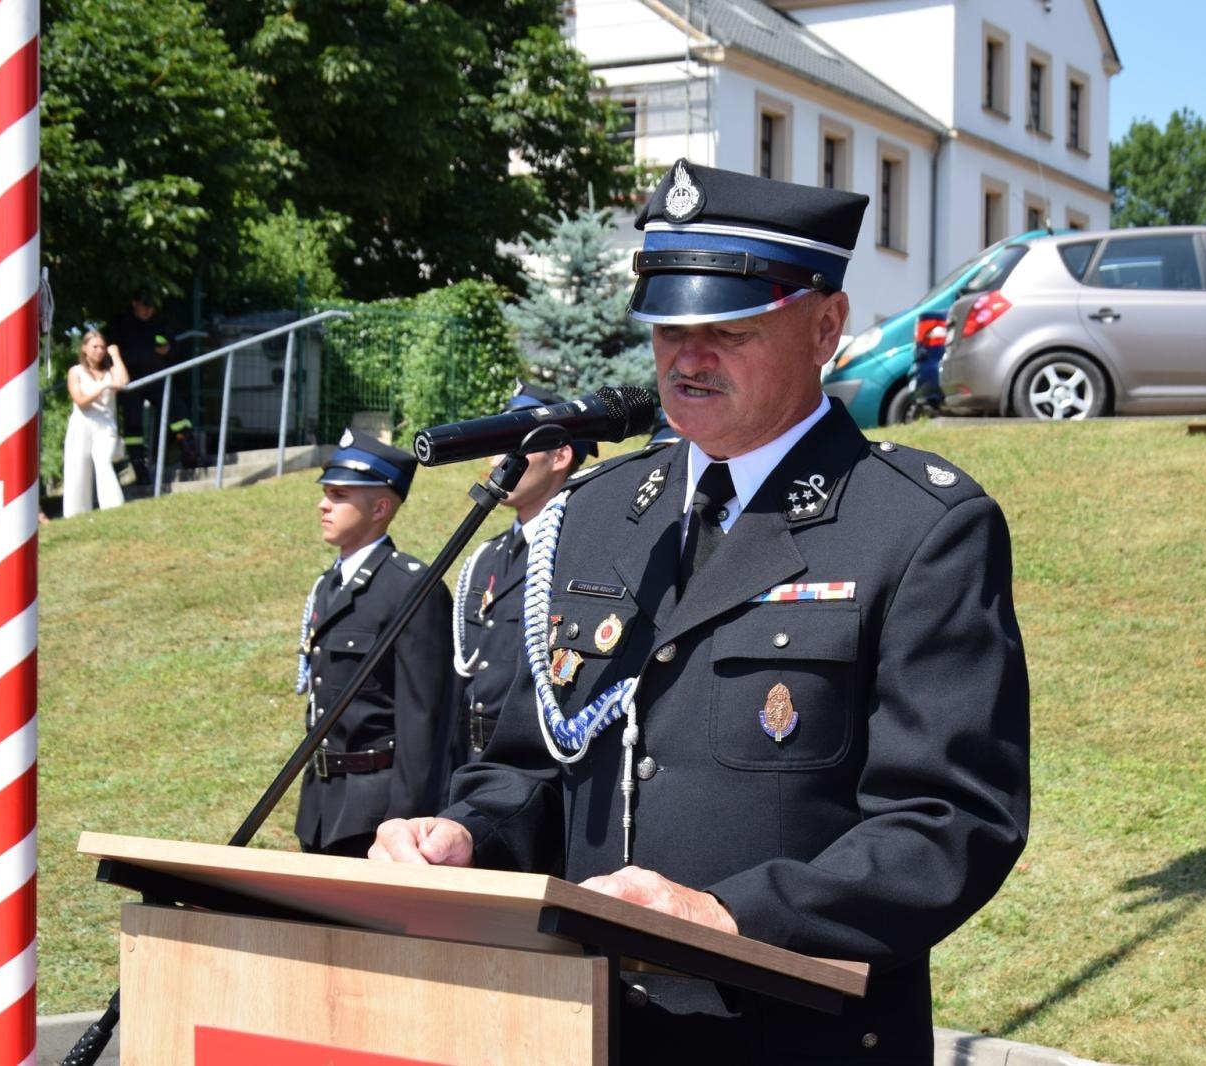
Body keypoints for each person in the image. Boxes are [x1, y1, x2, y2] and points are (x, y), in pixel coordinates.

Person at [373, 160, 1029, 1063]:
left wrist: (732, 916)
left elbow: (951, 821)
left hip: (792, 1032)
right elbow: (534, 761)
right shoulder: (601, 513)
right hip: (585, 1021)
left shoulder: (916, 527)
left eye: (730, 328)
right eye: (670, 326)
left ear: (827, 326)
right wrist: (466, 834)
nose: (689, 355)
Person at [295, 429, 455, 857]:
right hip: (321, 807)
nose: (323, 504)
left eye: (339, 494)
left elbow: (423, 722)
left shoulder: (410, 587)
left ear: (381, 506)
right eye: (326, 492)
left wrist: (406, 822)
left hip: (376, 814)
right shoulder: (329, 585)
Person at [449, 383, 598, 767]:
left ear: (561, 455)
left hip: (539, 774)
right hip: (473, 765)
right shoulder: (487, 557)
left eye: (514, 444)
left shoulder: (582, 554)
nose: (499, 459)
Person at [104, 293, 199, 480]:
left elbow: (174, 347)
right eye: (144, 305)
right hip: (131, 383)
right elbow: (110, 350)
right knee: (133, 425)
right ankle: (139, 467)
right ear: (134, 302)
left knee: (177, 411)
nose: (148, 310)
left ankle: (189, 452)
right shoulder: (121, 325)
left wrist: (168, 349)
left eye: (151, 306)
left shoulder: (159, 323)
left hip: (157, 378)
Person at [62, 330, 129, 518]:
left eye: (102, 347)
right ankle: (76, 514)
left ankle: (113, 506)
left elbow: (123, 381)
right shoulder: (75, 372)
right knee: (79, 468)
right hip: (82, 424)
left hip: (106, 426)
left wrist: (115, 355)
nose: (99, 351)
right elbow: (80, 401)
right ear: (84, 348)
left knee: (103, 460)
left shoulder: (110, 371)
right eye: (95, 347)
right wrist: (103, 387)